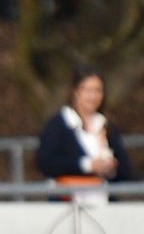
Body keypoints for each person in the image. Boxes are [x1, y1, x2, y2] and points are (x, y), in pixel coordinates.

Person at [36, 65, 136, 206]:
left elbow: (125, 171)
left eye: (98, 90)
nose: (93, 96)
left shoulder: (106, 126)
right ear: (75, 91)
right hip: (68, 206)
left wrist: (110, 168)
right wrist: (87, 165)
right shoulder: (59, 125)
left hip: (104, 204)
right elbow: (45, 163)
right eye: (87, 90)